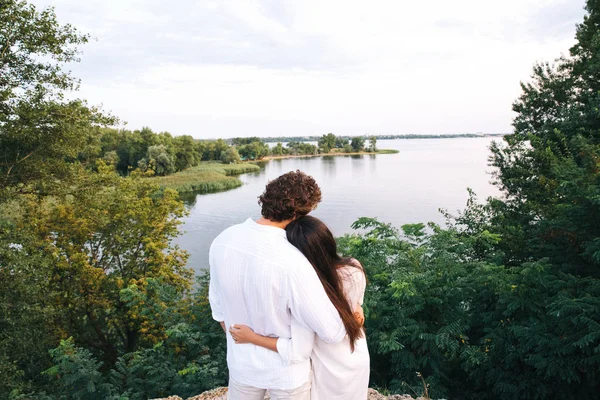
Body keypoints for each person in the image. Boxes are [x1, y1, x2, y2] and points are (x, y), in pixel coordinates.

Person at [208, 170, 347, 400]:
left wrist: (246, 345)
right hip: (287, 375)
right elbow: (332, 332)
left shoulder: (223, 240)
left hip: (241, 367)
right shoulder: (294, 262)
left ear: (266, 199)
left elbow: (218, 310)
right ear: (298, 214)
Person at [230, 216, 370, 400]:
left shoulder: (307, 290)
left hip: (328, 368)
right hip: (356, 355)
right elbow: (357, 309)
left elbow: (297, 350)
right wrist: (357, 319)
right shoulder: (354, 268)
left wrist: (251, 338)